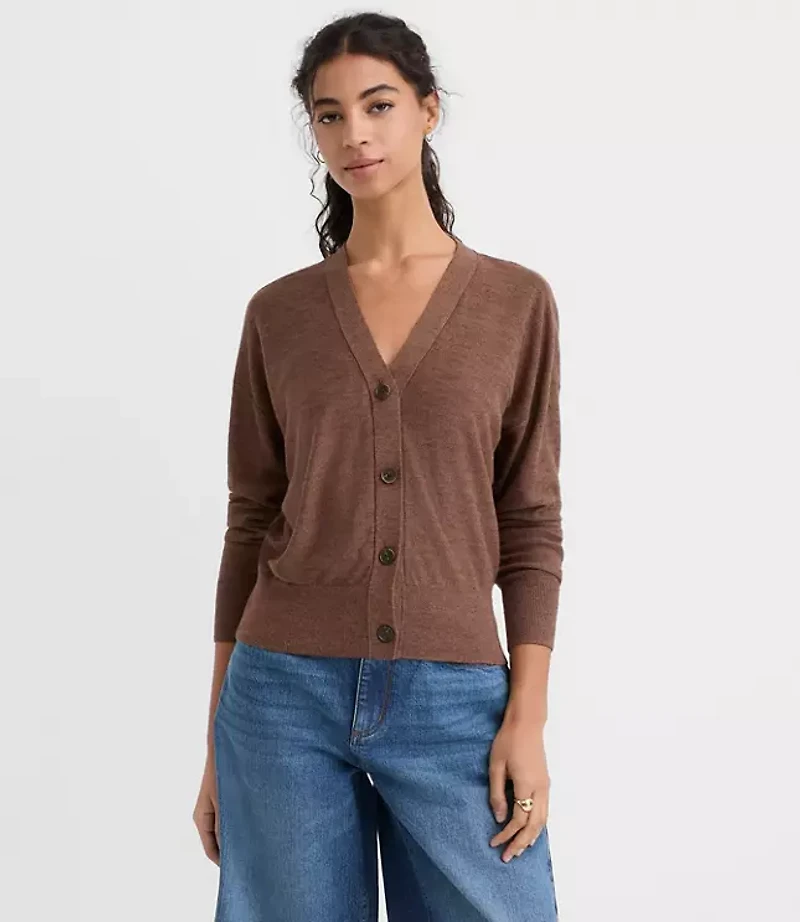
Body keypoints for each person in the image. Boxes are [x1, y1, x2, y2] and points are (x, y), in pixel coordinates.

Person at [193, 12, 564, 922]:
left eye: (378, 105)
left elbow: (529, 520)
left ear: (429, 110)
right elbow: (251, 518)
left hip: (455, 697)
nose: (354, 133)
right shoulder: (279, 314)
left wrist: (527, 716)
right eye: (329, 115)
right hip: (280, 697)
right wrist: (215, 740)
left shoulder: (515, 303)